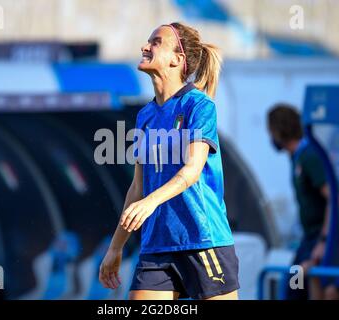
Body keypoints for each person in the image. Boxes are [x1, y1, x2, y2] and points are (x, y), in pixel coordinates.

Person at [99, 22, 239, 300]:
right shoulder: (145, 116)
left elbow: (192, 171)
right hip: (157, 245)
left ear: (178, 59)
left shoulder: (199, 106)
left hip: (202, 240)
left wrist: (151, 201)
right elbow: (138, 188)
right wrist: (115, 248)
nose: (144, 46)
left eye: (156, 42)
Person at [267, 104, 339, 300]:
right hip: (310, 237)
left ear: (278, 131)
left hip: (325, 237)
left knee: (308, 286)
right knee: (293, 285)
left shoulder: (309, 156)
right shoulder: (297, 157)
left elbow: (334, 199)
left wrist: (324, 241)